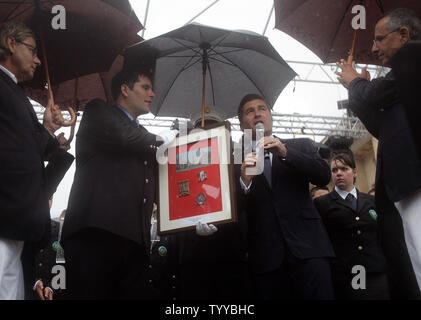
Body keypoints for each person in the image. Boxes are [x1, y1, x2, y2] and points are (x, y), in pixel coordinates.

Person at [335, 8, 421, 299]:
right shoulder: (402, 82)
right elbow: (382, 126)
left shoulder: (414, 62)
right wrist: (358, 89)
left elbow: (372, 95)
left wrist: (354, 83)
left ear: (404, 35)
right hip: (404, 186)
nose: (373, 48)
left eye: (379, 39)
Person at [61, 69, 165, 299]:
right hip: (95, 237)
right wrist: (165, 140)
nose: (152, 94)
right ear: (125, 89)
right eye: (145, 87)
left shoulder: (144, 135)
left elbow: (161, 183)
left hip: (136, 243)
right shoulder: (98, 111)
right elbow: (123, 136)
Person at [236, 93, 335, 300]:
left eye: (262, 109)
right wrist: (245, 182)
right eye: (249, 111)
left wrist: (286, 153)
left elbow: (323, 176)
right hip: (266, 258)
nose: (257, 114)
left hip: (309, 250)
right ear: (241, 124)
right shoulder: (235, 160)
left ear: (270, 117)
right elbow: (234, 209)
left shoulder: (301, 145)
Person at [0, 21, 70, 300]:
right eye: (33, 50)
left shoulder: (15, 91)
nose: (38, 59)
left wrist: (48, 131)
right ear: (11, 44)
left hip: (17, 221)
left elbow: (26, 152)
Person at [175, 109, 250, 300]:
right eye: (201, 129)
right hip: (193, 256)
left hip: (229, 254)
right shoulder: (179, 164)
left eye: (212, 127)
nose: (206, 132)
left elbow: (245, 203)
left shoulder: (237, 161)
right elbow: (175, 205)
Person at [314, 152, 389, 299]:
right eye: (335, 170)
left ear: (354, 172)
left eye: (344, 169)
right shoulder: (322, 204)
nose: (339, 173)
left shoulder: (371, 201)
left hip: (376, 270)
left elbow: (382, 233)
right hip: (348, 272)